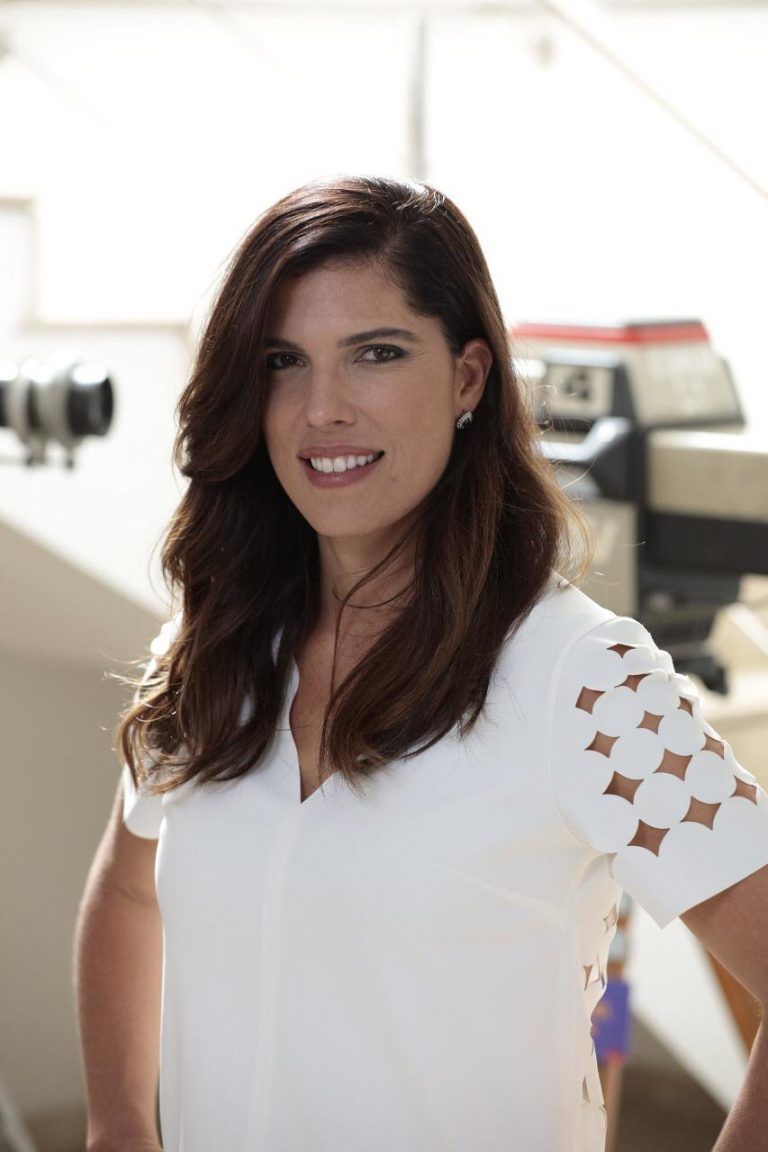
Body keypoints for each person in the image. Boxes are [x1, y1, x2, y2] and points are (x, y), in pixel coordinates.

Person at [74, 175, 768, 1152]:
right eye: (283, 361)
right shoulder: (216, 642)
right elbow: (130, 889)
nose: (322, 409)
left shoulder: (582, 678)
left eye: (377, 354)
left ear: (469, 377)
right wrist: (116, 1124)